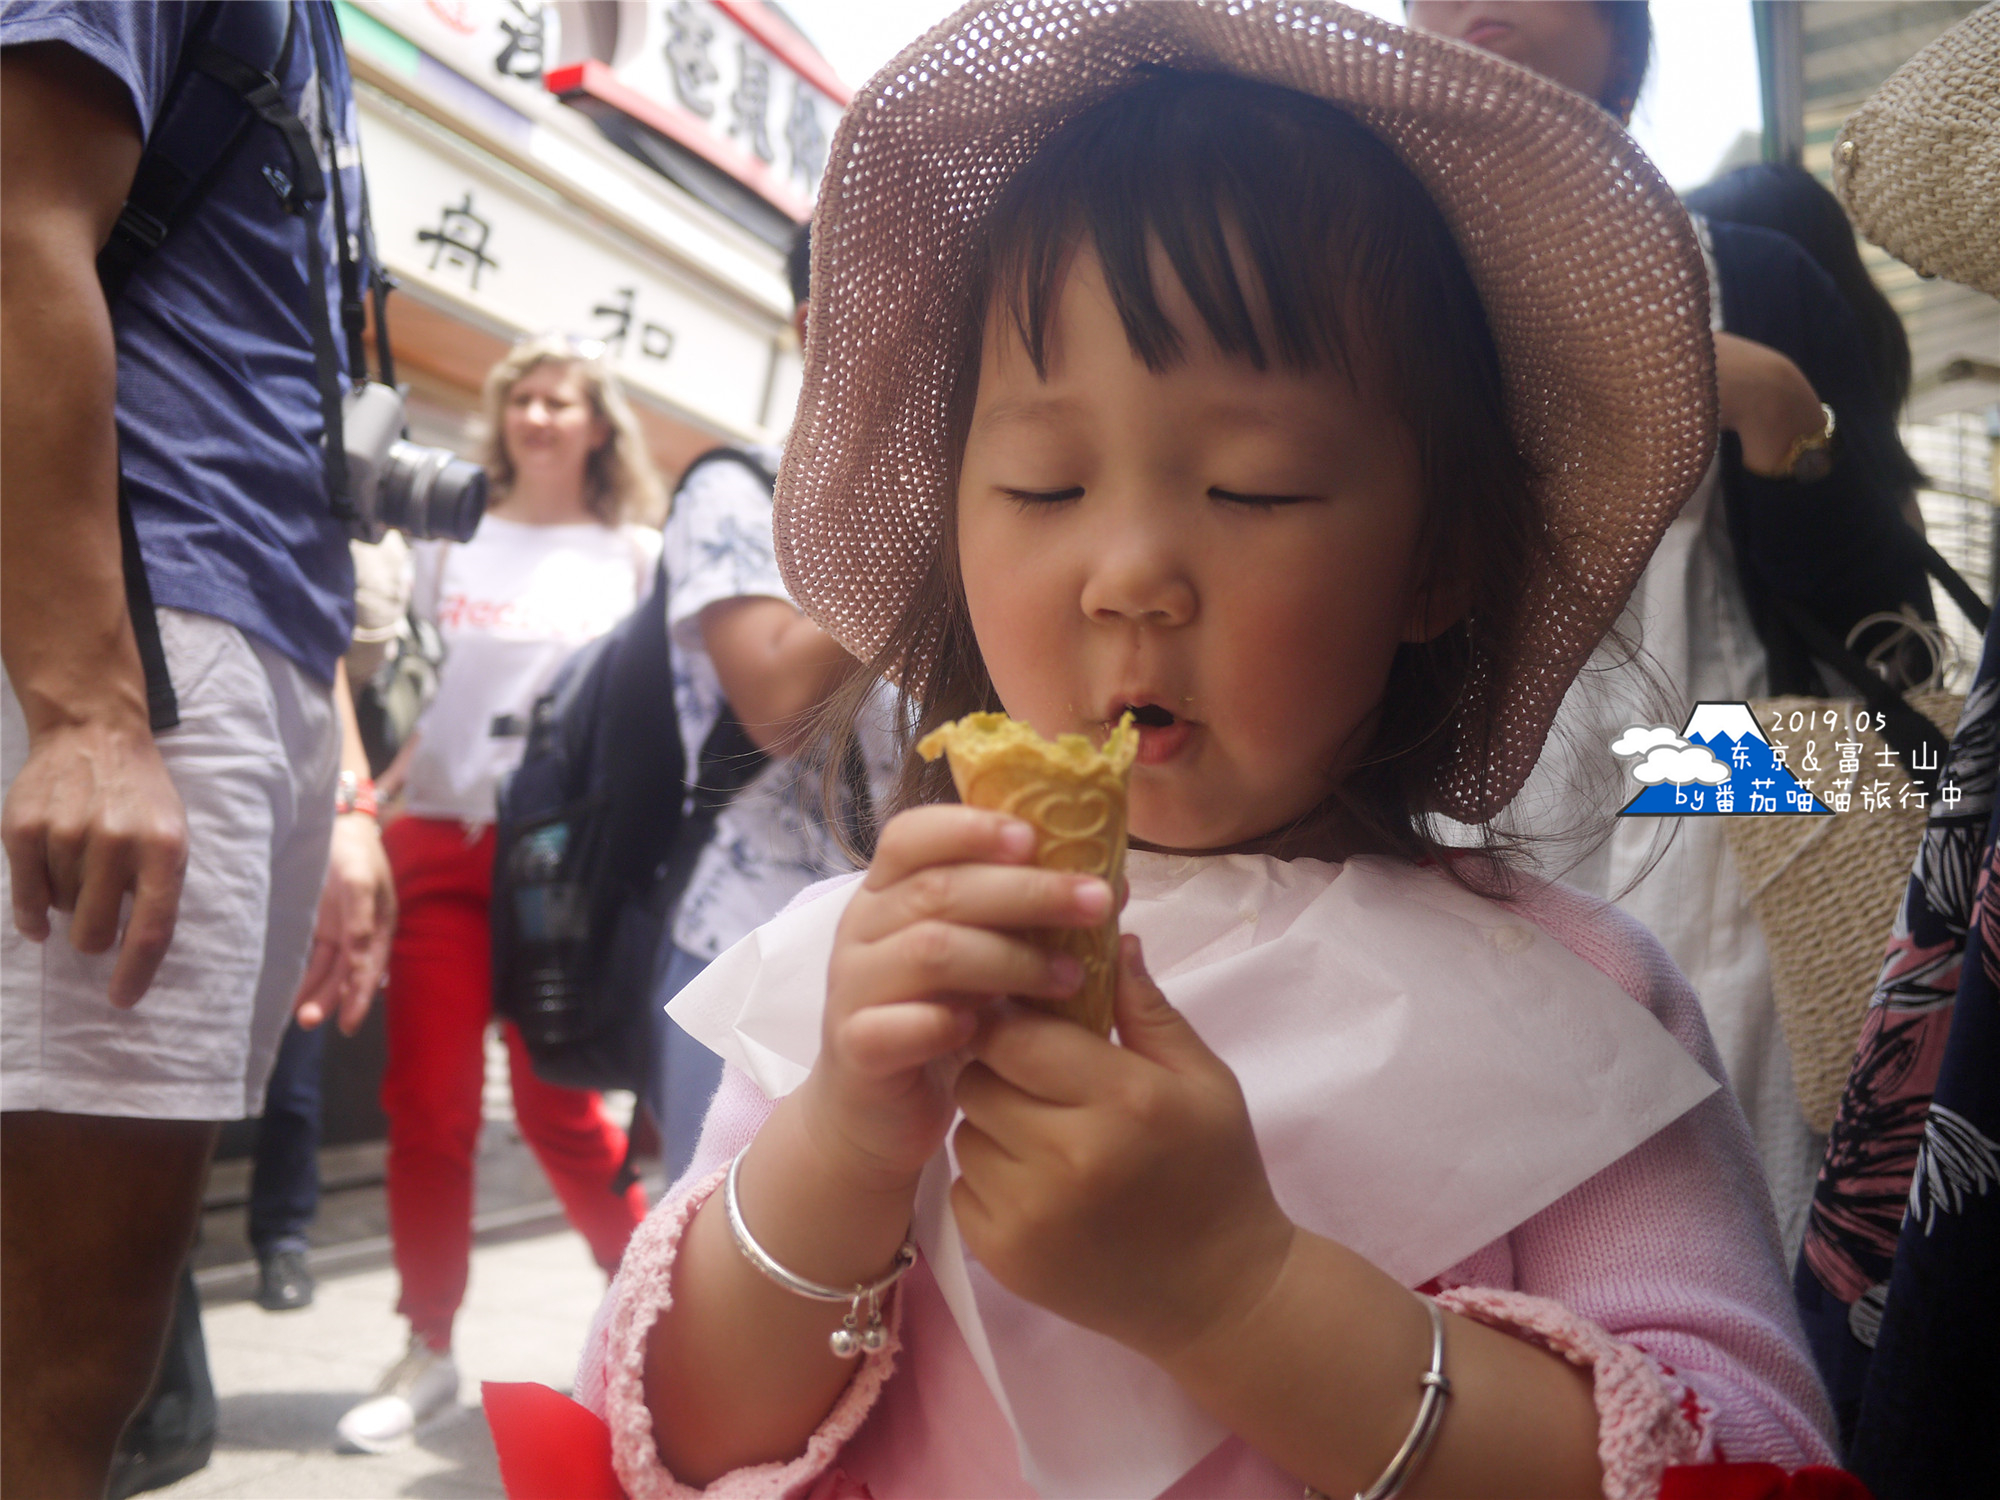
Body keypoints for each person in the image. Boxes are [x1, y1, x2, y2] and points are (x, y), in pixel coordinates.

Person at [530, 8, 1846, 1496]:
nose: (1130, 573)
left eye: (1255, 486)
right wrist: (842, 1143)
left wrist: (1239, 1294)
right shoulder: (864, 970)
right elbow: (671, 1434)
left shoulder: (1579, 1004)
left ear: (1439, 559)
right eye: (1041, 482)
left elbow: (1745, 1457)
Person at [1408, 0, 1937, 1262]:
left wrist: (1781, 426)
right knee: (1475, 1187)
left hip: (1696, 760)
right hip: (1438, 792)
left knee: (1718, 1154)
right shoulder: (1362, 283)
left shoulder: (1747, 272)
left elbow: (1876, 591)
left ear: (1621, 35)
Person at [1, 4, 394, 1494]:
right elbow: (16, 217)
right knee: (56, 1360)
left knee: (102, 1348)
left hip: (250, 634)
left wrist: (343, 783)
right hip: (142, 629)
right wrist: (88, 710)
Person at [332, 335, 662, 1454]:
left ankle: (662, 1328)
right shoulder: (451, 535)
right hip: (436, 837)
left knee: (559, 1109)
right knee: (427, 1111)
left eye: (557, 399)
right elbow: (413, 681)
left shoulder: (636, 555)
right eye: (518, 397)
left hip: (560, 865)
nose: (534, 415)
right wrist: (365, 801)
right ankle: (427, 1347)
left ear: (597, 421)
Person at [650, 223, 876, 1177]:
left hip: (912, 955)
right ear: (815, 324)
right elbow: (778, 703)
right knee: (708, 1264)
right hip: (745, 948)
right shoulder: (737, 487)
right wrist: (932, 522)